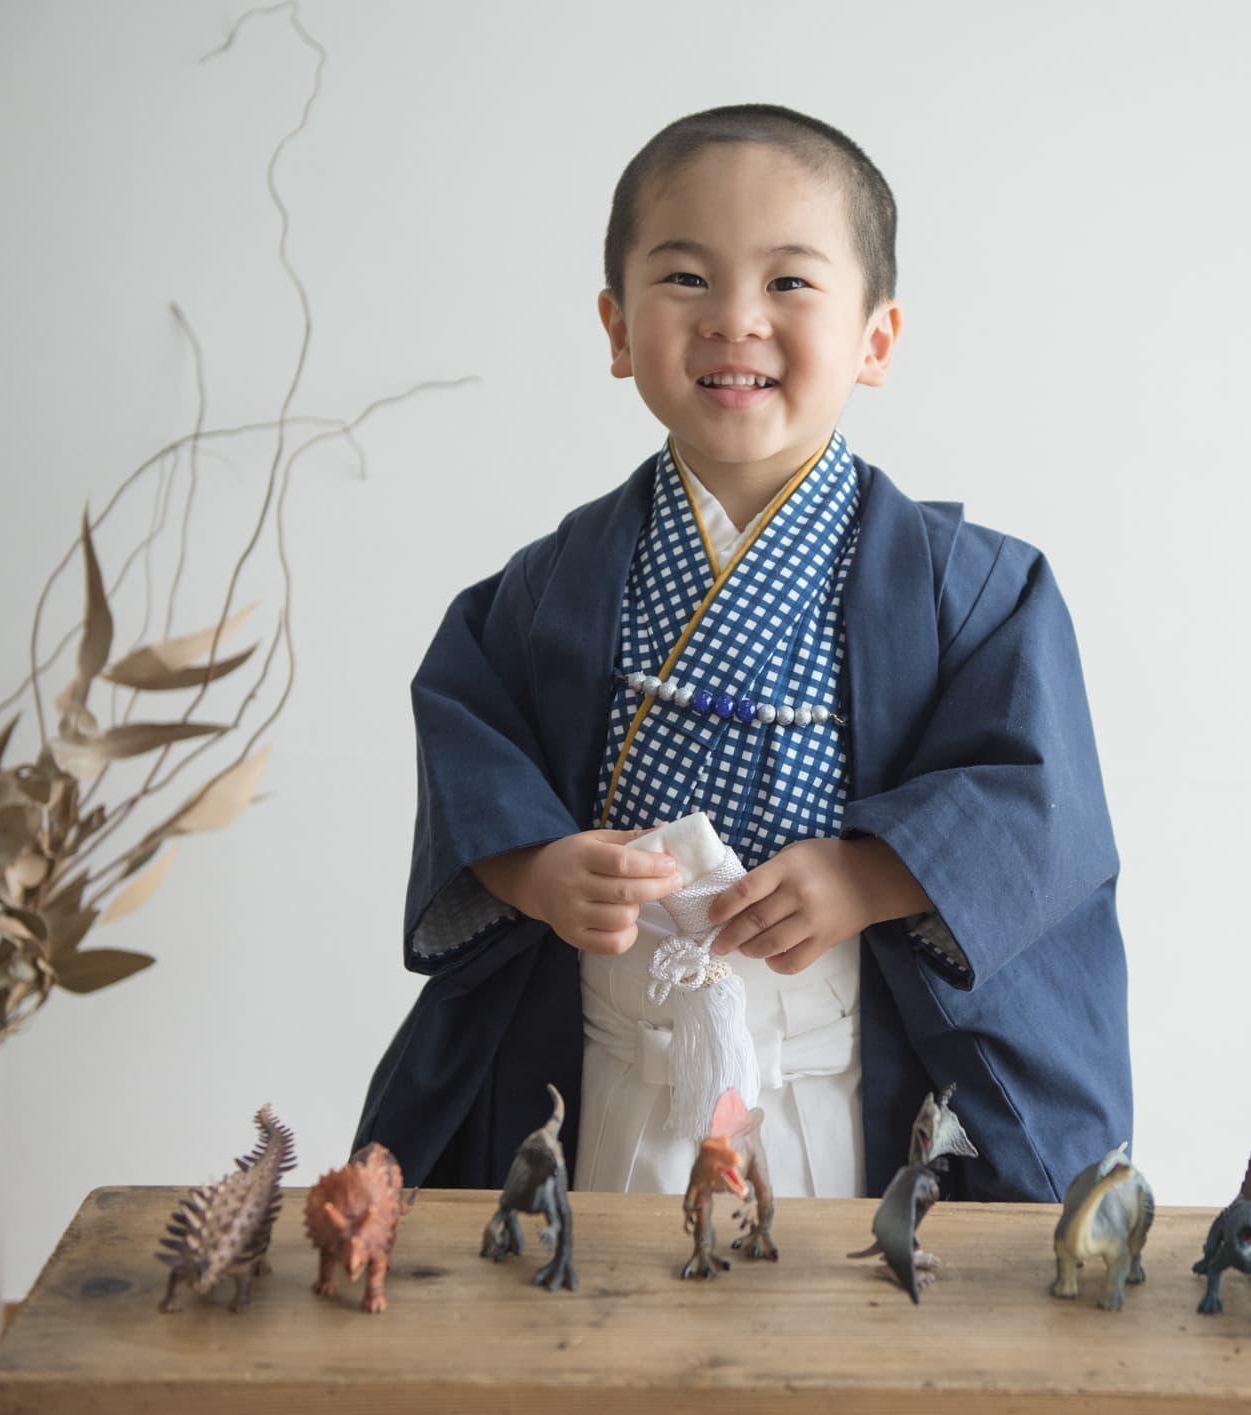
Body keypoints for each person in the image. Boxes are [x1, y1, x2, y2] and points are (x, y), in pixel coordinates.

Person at [354, 104, 1131, 1204]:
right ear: (616, 328)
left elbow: (1036, 812)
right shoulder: (546, 587)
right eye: (685, 279)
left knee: (839, 1290)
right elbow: (473, 756)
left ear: (875, 340)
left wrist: (873, 875)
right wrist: (539, 872)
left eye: (788, 282)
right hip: (616, 1052)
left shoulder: (978, 593)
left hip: (841, 1064)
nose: (734, 319)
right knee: (605, 1281)